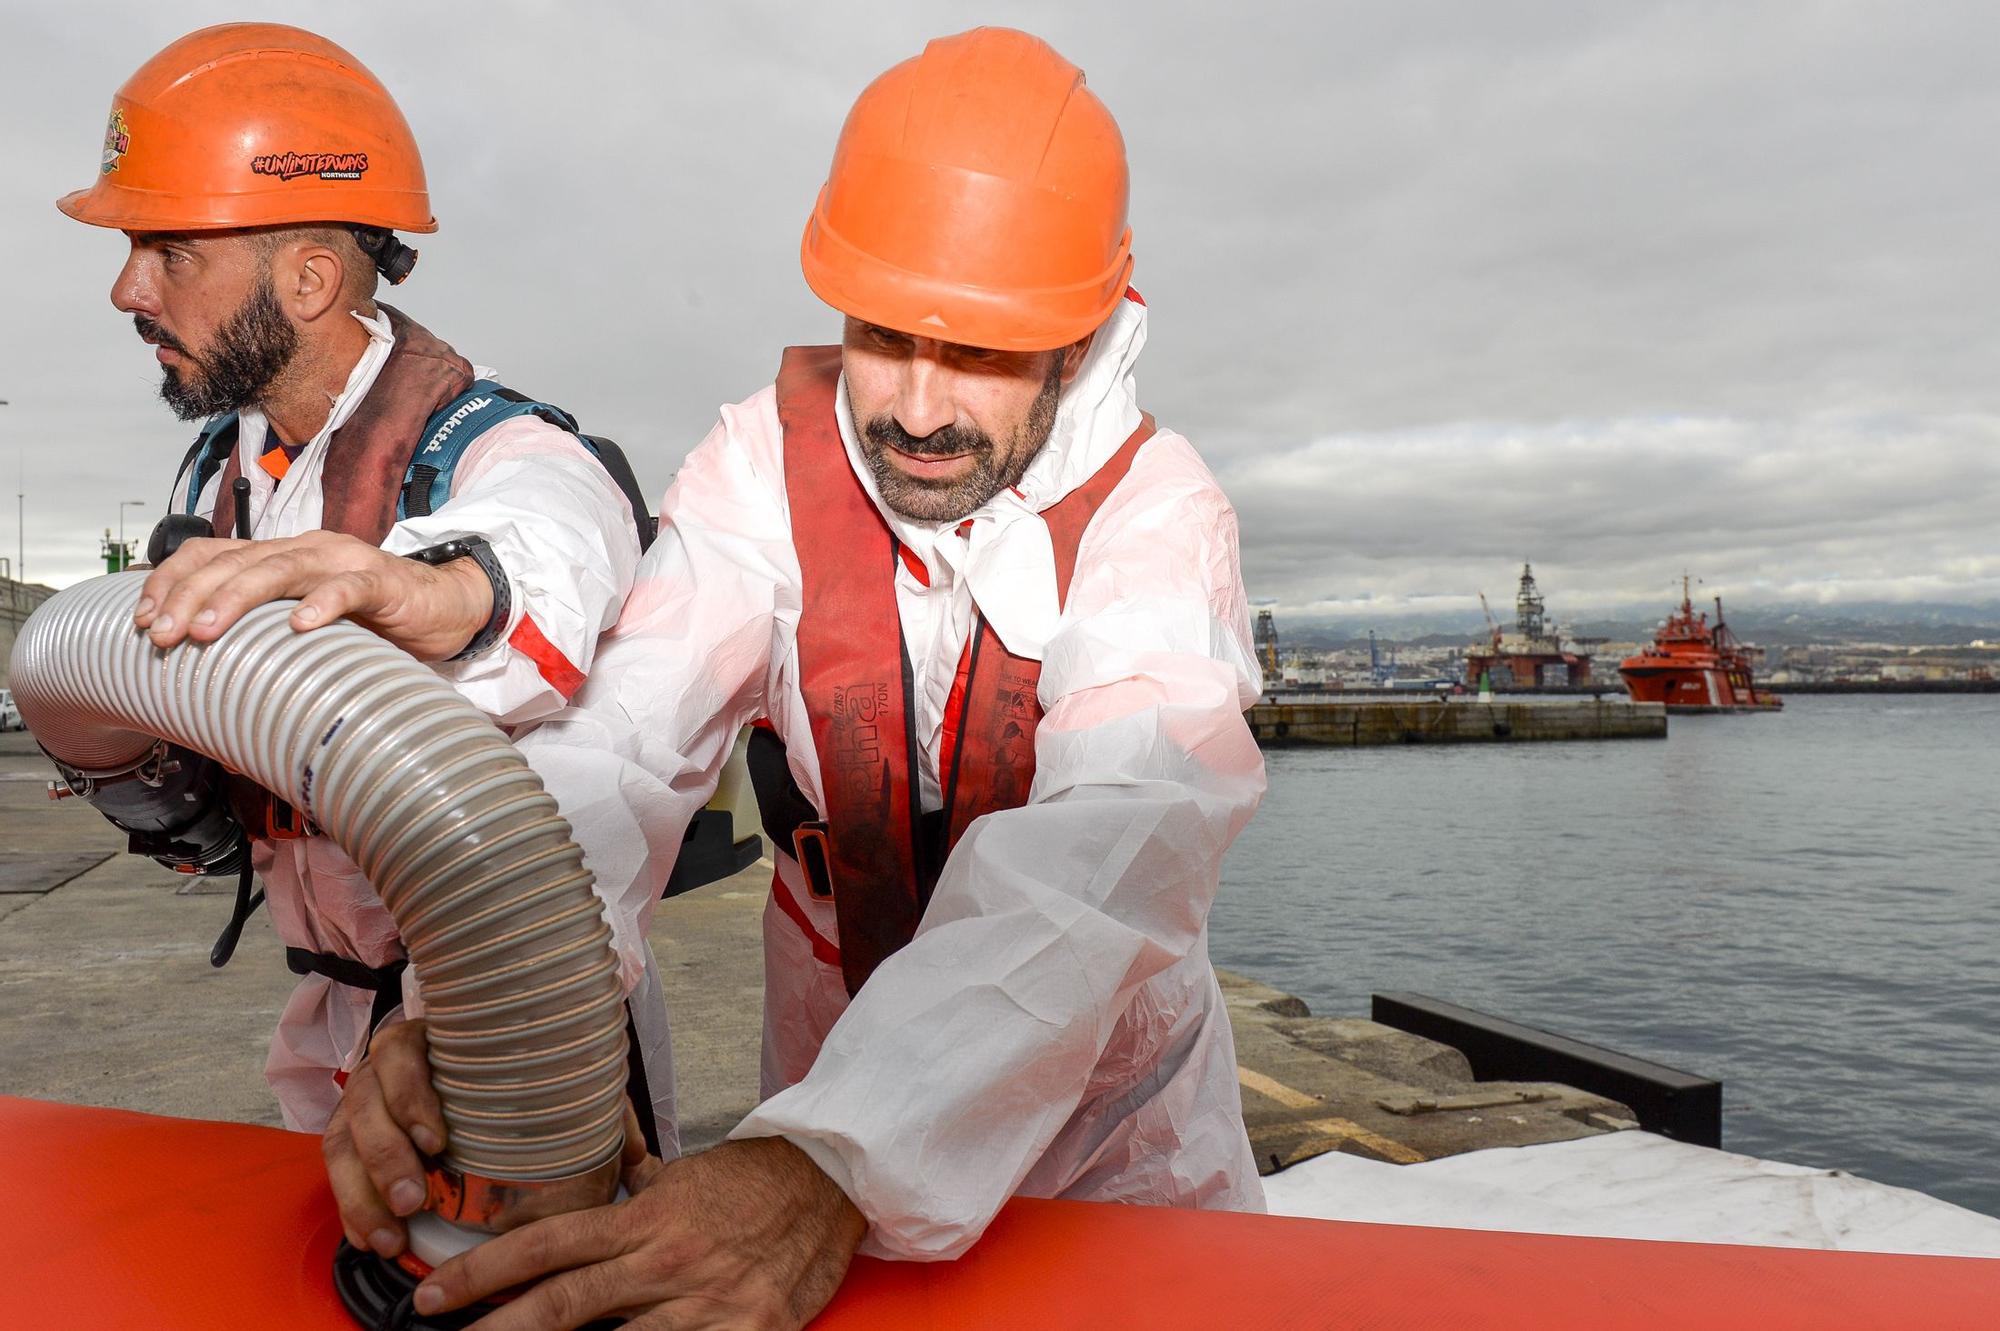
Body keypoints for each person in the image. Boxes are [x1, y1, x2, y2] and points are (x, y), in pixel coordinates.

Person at [337, 25, 1265, 1330]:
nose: (923, 409)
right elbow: (617, 742)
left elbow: (1108, 859)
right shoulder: (756, 467)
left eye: (986, 353)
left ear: (1080, 337)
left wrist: (826, 1161)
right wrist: (495, 1005)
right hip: (829, 1074)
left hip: (1111, 1139)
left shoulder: (1161, 520)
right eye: (887, 335)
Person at [54, 20, 672, 1241]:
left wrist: (447, 591)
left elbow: (555, 530)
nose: (127, 288)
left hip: (506, 1023)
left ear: (309, 280)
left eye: (167, 249)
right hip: (322, 1020)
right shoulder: (218, 472)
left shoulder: (494, 454)